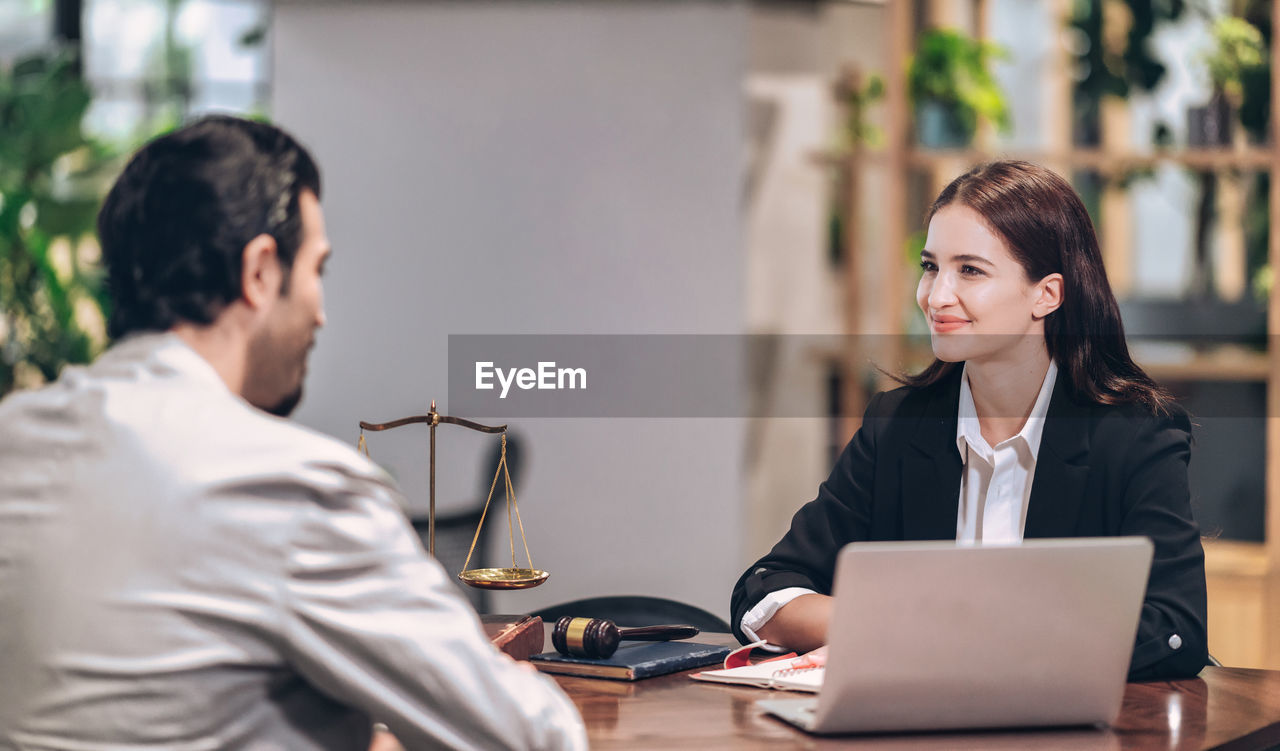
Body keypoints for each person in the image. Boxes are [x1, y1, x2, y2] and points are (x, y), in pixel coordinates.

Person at [0, 115, 587, 750]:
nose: (320, 312)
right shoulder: (291, 487)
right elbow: (533, 739)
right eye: (317, 270)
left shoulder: (15, 440)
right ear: (259, 272)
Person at [730, 160, 1208, 682]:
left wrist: (949, 641)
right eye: (930, 266)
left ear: (1047, 294)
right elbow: (765, 590)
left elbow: (1172, 629)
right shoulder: (896, 427)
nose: (936, 297)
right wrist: (892, 628)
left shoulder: (1135, 435)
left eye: (970, 270)